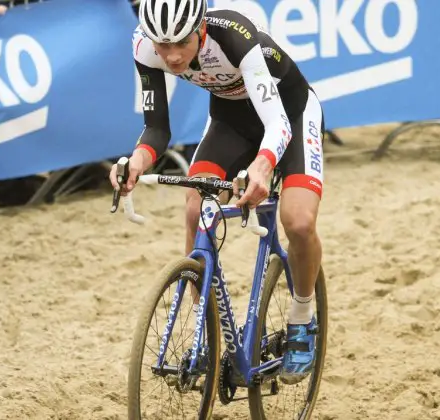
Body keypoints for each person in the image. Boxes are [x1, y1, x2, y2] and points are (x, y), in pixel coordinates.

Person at [110, 0, 325, 385]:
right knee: (195, 206)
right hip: (231, 122)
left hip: (289, 115)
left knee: (298, 220)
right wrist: (136, 163)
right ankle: (202, 331)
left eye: (181, 43)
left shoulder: (235, 36)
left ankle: (302, 319)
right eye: (163, 45)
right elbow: (156, 130)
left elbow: (276, 123)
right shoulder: (145, 47)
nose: (172, 56)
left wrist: (262, 165)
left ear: (201, 30)